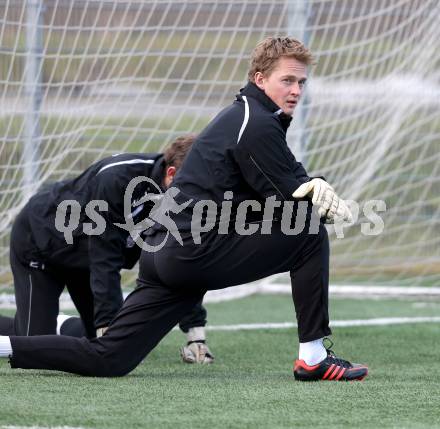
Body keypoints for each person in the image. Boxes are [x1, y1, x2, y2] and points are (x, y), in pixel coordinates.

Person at [0, 37, 367, 381]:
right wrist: (312, 193)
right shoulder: (254, 123)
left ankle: (4, 345)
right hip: (189, 253)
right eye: (288, 80)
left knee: (110, 358)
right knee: (306, 231)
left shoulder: (248, 117)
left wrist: (310, 187)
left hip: (165, 256)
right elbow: (288, 196)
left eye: (302, 83)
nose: (296, 91)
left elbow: (271, 193)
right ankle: (314, 358)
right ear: (260, 78)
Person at [0, 135, 214, 364]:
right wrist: (108, 332)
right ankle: (43, 324)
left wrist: (195, 336)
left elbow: (181, 262)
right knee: (35, 342)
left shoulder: (183, 198)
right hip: (41, 243)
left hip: (86, 257)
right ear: (171, 174)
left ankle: (59, 322)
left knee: (109, 337)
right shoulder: (118, 179)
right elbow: (105, 257)